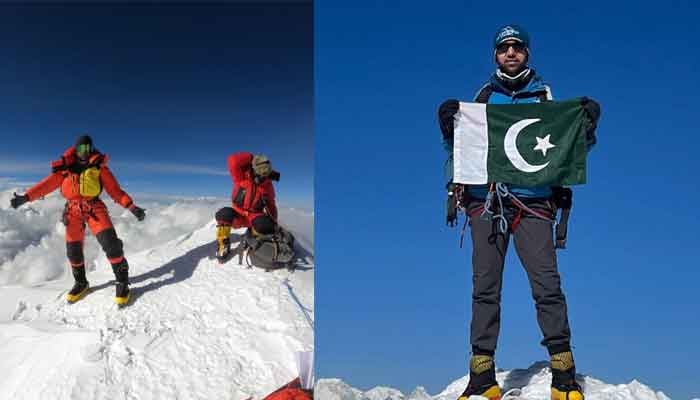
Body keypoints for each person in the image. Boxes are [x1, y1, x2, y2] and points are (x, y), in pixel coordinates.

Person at [438, 25, 599, 400]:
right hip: (486, 203)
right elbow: (460, 152)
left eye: (517, 47)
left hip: (534, 204)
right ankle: (481, 376)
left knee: (547, 286)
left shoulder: (545, 99)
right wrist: (449, 129)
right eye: (504, 48)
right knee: (485, 288)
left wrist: (586, 131)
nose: (510, 53)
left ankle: (563, 376)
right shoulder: (482, 99)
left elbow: (565, 152)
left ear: (527, 53)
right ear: (495, 55)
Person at [10, 135, 146, 305]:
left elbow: (115, 191)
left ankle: (122, 281)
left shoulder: (99, 167)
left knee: (111, 244)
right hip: (73, 211)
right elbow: (47, 185)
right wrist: (26, 197)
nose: (85, 152)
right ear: (76, 150)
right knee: (73, 250)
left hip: (94, 208)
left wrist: (131, 207)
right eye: (82, 149)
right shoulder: (65, 168)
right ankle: (81, 283)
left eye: (88, 148)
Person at [214, 152, 279, 262]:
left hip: (254, 216)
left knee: (265, 225)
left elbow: (271, 205)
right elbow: (233, 161)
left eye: (264, 174)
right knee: (223, 214)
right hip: (238, 214)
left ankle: (254, 240)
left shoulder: (268, 186)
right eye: (259, 172)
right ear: (253, 169)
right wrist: (252, 158)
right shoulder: (241, 177)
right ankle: (223, 243)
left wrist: (274, 222)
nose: (261, 177)